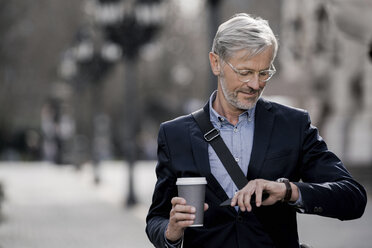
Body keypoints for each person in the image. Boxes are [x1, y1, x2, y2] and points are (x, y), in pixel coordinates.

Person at [146, 13, 367, 248]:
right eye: (245, 72)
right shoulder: (174, 135)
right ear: (216, 63)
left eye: (264, 73)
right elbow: (156, 219)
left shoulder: (293, 124)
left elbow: (353, 197)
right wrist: (171, 232)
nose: (255, 84)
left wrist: (287, 190)